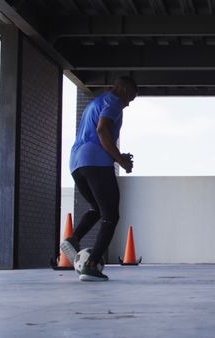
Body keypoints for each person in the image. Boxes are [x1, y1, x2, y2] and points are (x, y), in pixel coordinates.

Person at [60, 76, 138, 282]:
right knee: (111, 216)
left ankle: (73, 238)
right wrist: (120, 160)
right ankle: (92, 265)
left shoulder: (96, 103)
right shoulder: (113, 103)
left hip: (77, 163)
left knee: (97, 208)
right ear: (120, 89)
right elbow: (102, 130)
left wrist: (119, 156)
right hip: (96, 161)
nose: (128, 103)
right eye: (129, 97)